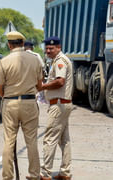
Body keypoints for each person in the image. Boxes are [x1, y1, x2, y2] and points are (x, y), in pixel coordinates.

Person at [0, 31, 43, 180]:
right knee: (31, 141)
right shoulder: (35, 60)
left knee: (9, 141)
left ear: (9, 45)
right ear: (23, 43)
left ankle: (8, 177)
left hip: (10, 103)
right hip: (29, 103)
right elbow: (39, 85)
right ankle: (34, 174)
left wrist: (8, 98)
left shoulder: (4, 61)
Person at [39, 36, 73, 180]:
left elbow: (60, 81)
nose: (48, 50)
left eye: (51, 48)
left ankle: (45, 173)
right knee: (64, 140)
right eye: (46, 48)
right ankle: (65, 172)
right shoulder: (57, 60)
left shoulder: (60, 61)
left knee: (49, 139)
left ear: (58, 48)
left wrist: (42, 86)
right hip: (62, 104)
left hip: (59, 105)